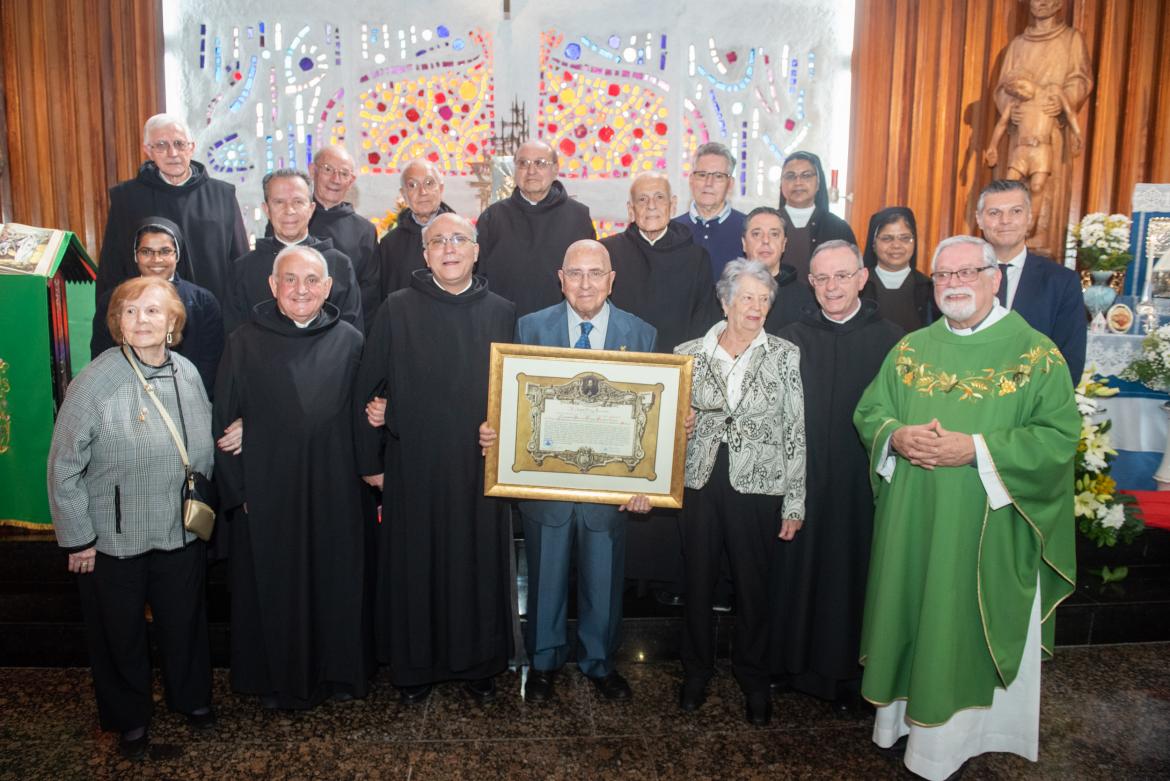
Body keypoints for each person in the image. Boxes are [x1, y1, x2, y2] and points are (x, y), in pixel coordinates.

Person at [853, 235, 1079, 780]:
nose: (954, 284)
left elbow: (1056, 437)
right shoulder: (912, 349)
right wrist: (897, 435)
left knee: (959, 619)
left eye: (967, 273)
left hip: (988, 529)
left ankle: (973, 735)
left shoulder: (1035, 353)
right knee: (914, 608)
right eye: (945, 276)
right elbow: (871, 410)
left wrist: (975, 449)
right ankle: (903, 724)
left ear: (994, 277)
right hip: (915, 522)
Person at [475, 240, 656, 703]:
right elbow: (515, 401)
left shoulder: (641, 335)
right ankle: (544, 661)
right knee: (545, 578)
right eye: (575, 273)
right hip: (547, 484)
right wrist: (498, 433)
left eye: (596, 273)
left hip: (608, 488)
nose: (585, 284)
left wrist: (662, 452)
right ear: (560, 277)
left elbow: (650, 415)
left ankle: (599, 662)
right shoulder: (530, 328)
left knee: (604, 578)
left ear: (612, 279)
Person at [48, 276, 215, 760]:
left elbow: (201, 441)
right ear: (117, 323)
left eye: (153, 312)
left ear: (173, 323)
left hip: (179, 531)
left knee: (185, 622)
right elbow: (62, 466)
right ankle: (131, 721)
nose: (141, 321)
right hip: (113, 539)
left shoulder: (187, 371)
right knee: (118, 633)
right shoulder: (96, 381)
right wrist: (78, 539)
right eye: (130, 312)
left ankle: (193, 701)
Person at [355, 212, 515, 705]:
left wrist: (506, 437)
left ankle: (479, 665)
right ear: (424, 255)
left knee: (477, 565)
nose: (449, 248)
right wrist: (372, 465)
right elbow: (366, 391)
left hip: (477, 467)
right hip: (413, 465)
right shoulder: (396, 309)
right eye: (438, 241)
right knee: (414, 567)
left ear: (475, 250)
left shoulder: (502, 312)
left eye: (459, 239)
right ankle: (415, 667)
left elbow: (519, 395)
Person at [213, 245, 371, 710]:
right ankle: (277, 680)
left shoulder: (351, 340)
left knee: (335, 583)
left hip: (336, 487)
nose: (300, 289)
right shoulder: (243, 340)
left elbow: (362, 412)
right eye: (290, 280)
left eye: (311, 281)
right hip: (268, 491)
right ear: (272, 286)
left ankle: (339, 674)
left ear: (328, 287)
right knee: (275, 587)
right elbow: (225, 422)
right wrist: (239, 489)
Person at [771, 240, 903, 713]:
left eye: (842, 276)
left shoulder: (893, 342)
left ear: (862, 278)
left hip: (860, 485)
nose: (832, 287)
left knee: (855, 574)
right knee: (796, 571)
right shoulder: (788, 338)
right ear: (810, 283)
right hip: (802, 482)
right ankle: (792, 665)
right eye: (822, 278)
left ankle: (853, 673)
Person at [674, 259, 806, 727]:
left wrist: (795, 500)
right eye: (747, 297)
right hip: (700, 482)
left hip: (758, 485)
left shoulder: (785, 354)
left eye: (764, 298)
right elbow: (669, 426)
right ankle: (695, 672)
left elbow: (795, 429)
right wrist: (681, 426)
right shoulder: (687, 353)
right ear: (725, 300)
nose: (757, 307)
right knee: (697, 582)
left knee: (754, 587)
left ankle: (753, 679)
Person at [602, 171, 722, 603]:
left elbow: (704, 324)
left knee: (661, 478)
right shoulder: (610, 252)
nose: (650, 207)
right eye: (641, 200)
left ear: (673, 205)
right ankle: (612, 577)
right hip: (616, 390)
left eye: (658, 199)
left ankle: (663, 585)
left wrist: (681, 386)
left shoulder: (696, 257)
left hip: (671, 389)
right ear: (630, 210)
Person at [96, 113, 247, 306]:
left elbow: (239, 263)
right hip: (148, 320)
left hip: (213, 316)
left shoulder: (223, 195)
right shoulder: (126, 198)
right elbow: (112, 268)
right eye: (161, 145)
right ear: (147, 150)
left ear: (191, 147)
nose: (172, 153)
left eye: (179, 143)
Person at [991, 0, 1093, 255]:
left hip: (1049, 133)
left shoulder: (1071, 40)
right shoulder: (1018, 44)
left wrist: (1062, 99)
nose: (1042, 3)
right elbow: (1003, 86)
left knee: (1043, 190)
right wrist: (1009, 106)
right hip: (1020, 134)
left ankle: (1036, 240)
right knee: (1010, 189)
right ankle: (1008, 245)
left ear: (1059, 4)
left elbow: (1080, 79)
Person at [91, 217, 224, 397]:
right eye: (146, 251)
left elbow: (211, 362)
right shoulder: (113, 299)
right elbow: (102, 355)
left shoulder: (203, 302)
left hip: (188, 397)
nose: (156, 259)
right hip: (127, 398)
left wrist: (190, 396)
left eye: (165, 251)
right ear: (135, 255)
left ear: (177, 255)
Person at [223, 168, 362, 334]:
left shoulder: (338, 264)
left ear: (311, 209)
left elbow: (351, 335)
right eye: (279, 202)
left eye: (298, 202)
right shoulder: (244, 269)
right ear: (266, 209)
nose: (289, 210)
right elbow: (235, 337)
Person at [975, 179, 1085, 381]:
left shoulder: (1061, 282)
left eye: (1015, 211)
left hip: (1033, 405)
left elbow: (1070, 362)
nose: (1005, 220)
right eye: (994, 213)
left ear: (1029, 217)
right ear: (979, 220)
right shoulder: (960, 276)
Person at [475, 139, 596, 317]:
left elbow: (592, 277)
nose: (531, 171)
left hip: (561, 325)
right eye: (523, 163)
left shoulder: (578, 217)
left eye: (540, 163)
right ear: (515, 170)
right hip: (505, 324)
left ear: (555, 169)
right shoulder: (492, 218)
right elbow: (479, 279)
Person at [294, 145, 379, 328]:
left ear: (351, 180)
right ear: (312, 170)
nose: (335, 179)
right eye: (328, 169)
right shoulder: (292, 220)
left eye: (344, 173)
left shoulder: (365, 230)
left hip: (345, 327)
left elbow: (369, 292)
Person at [776, 151, 856, 292]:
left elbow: (852, 278)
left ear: (818, 183)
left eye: (806, 175)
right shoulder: (767, 224)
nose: (798, 182)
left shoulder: (838, 228)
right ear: (781, 184)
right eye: (790, 176)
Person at [375, 159, 454, 298]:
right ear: (403, 194)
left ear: (441, 189)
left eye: (429, 183)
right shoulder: (390, 244)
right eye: (412, 185)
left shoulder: (460, 235)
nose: (422, 192)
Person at [673, 142, 747, 279]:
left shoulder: (749, 229)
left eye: (718, 176)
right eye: (702, 175)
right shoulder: (671, 230)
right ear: (691, 180)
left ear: (730, 184)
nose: (708, 183)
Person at [739, 206, 816, 333]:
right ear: (744, 244)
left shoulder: (806, 298)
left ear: (784, 244)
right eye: (756, 234)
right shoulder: (727, 292)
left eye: (774, 234)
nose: (765, 240)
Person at [860, 207, 935, 332]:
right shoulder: (858, 286)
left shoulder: (929, 288)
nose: (896, 245)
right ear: (873, 244)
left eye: (905, 238)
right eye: (887, 238)